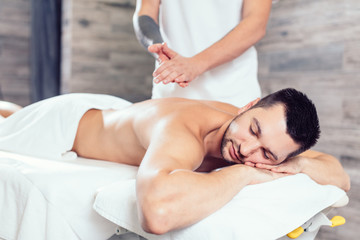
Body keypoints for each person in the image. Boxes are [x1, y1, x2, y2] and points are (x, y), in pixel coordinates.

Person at [0, 88, 350, 234]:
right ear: (248, 105)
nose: (247, 149)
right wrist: (245, 175)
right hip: (63, 125)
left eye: (268, 154)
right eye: (253, 129)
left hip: (125, 116)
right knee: (6, 124)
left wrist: (300, 165)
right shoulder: (183, 131)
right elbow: (157, 214)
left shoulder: (264, 136)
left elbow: (339, 176)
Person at [133, 0, 273, 106]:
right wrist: (159, 49)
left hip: (233, 96)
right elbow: (145, 13)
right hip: (170, 96)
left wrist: (195, 65)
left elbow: (256, 23)